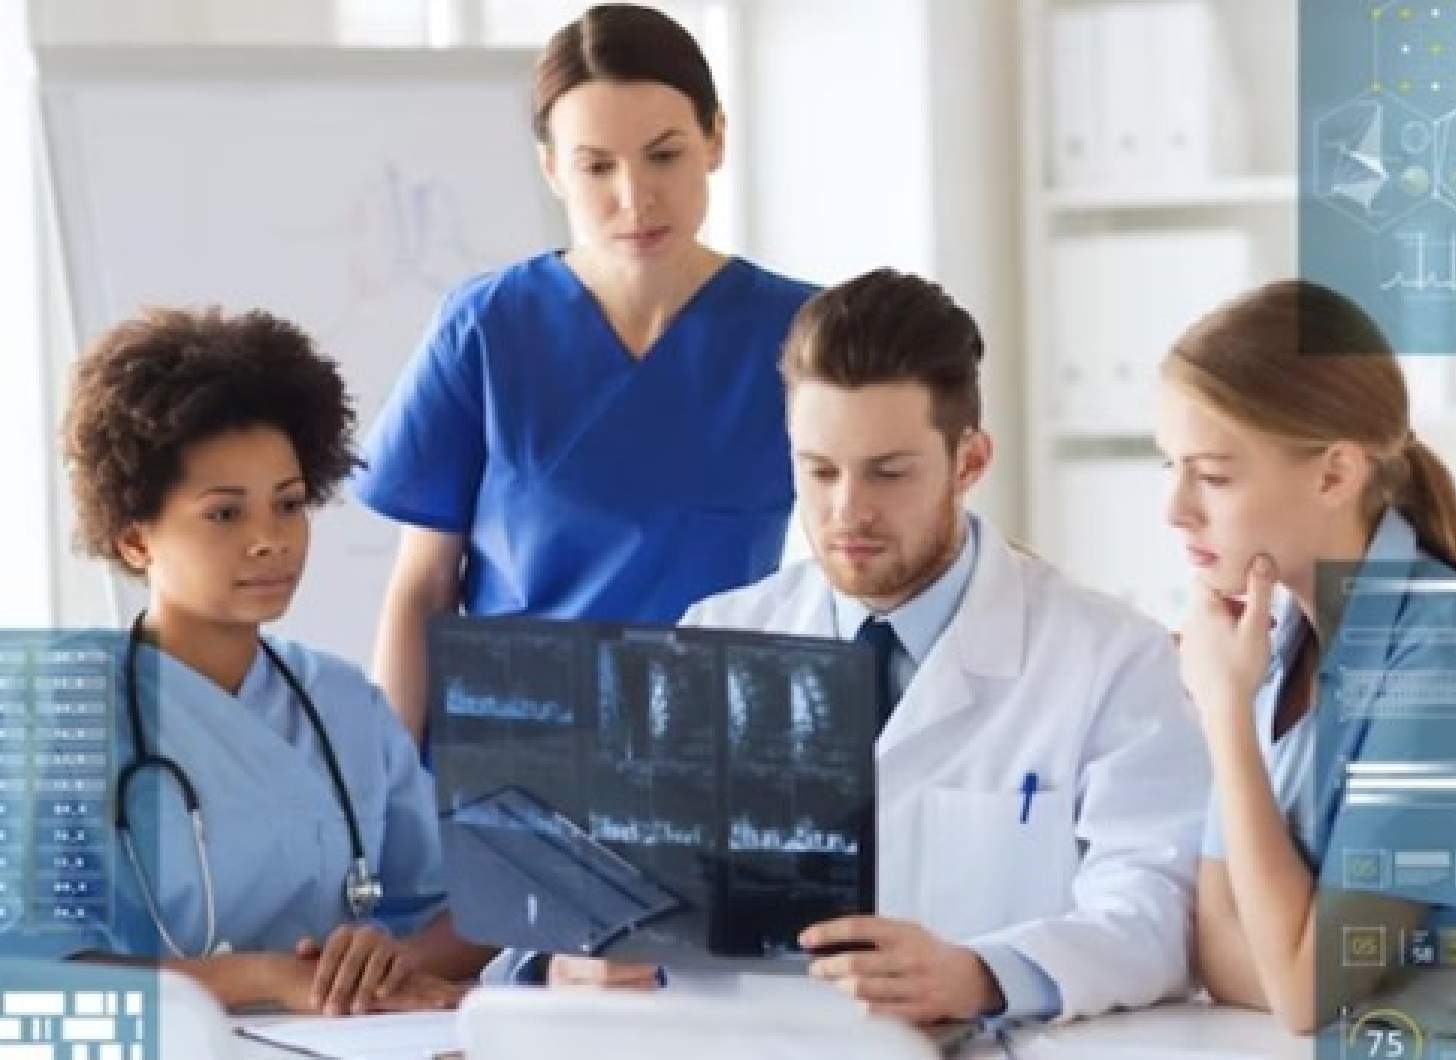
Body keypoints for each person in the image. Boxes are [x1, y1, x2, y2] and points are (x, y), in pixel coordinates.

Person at [524, 269, 1209, 1023]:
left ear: (970, 462)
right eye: (819, 472)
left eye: (888, 473)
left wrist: (982, 974)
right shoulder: (716, 637)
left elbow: (1155, 908)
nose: (848, 510)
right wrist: (574, 958)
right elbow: (601, 886)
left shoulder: (1110, 660)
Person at [354, 2, 816, 744]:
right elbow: (423, 587)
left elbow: (867, 547)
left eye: (664, 154)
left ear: (716, 139)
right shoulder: (489, 327)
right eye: (597, 166)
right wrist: (386, 808)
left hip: (709, 757)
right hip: (507, 767)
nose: (634, 198)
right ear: (551, 170)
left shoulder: (801, 338)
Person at [1159, 280, 1456, 1037]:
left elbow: (1299, 991)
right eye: (1169, 466)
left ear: (1335, 473)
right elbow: (1220, 947)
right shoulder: (1267, 641)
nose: (1176, 509)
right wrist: (1376, 999)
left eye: (1214, 476)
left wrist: (1225, 713)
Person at [43, 307, 491, 1012]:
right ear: (135, 540)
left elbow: (457, 911)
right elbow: (32, 979)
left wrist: (383, 960)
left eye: (287, 505)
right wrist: (258, 977)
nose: (270, 540)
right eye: (225, 514)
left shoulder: (345, 705)